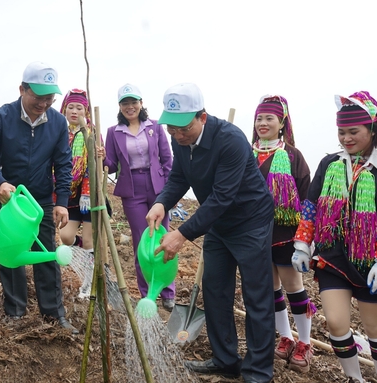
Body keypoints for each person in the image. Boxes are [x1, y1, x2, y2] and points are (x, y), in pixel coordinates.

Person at [146, 83, 275, 383]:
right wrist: (161, 203)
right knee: (215, 290)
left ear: (202, 117)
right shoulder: (180, 140)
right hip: (218, 225)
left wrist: (181, 235)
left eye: (183, 128)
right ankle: (226, 359)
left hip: (250, 222)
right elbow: (179, 177)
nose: (177, 135)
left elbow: (221, 197)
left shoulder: (230, 140)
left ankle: (258, 372)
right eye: (171, 129)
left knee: (257, 297)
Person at [292, 91, 377, 383]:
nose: (346, 138)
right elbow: (310, 208)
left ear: (372, 130)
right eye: (341, 132)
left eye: (353, 132)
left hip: (370, 263)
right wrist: (301, 245)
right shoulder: (329, 164)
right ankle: (354, 379)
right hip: (333, 258)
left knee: (375, 329)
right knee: (335, 323)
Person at [0, 61, 78, 334]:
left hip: (40, 201)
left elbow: (63, 164)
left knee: (46, 256)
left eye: (49, 98)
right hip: (9, 198)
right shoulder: (2, 117)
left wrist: (61, 201)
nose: (43, 104)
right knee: (12, 255)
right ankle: (15, 312)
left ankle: (54, 315)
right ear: (22, 89)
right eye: (37, 97)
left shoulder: (57, 122)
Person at [252, 95, 315, 372]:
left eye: (269, 118)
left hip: (285, 233)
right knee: (271, 287)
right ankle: (285, 337)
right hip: (254, 233)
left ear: (282, 123)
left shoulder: (292, 156)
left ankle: (305, 342)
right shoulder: (247, 154)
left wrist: (304, 238)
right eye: (259, 118)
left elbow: (305, 197)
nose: (263, 123)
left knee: (293, 287)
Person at [103, 83, 175, 311]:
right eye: (125, 103)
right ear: (120, 106)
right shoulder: (113, 132)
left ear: (141, 103)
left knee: (162, 236)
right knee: (141, 240)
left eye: (134, 102)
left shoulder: (154, 126)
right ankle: (147, 294)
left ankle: (167, 291)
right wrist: (102, 157)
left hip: (157, 186)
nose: (130, 107)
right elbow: (111, 166)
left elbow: (167, 159)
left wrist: (169, 188)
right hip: (131, 189)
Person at [57, 88, 96, 298]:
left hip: (90, 196)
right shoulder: (59, 130)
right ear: (64, 108)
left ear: (85, 111)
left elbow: (97, 162)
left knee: (89, 240)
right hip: (69, 194)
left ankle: (88, 284)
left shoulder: (91, 132)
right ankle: (87, 258)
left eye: (79, 107)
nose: (74, 111)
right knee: (65, 236)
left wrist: (88, 190)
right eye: (70, 107)